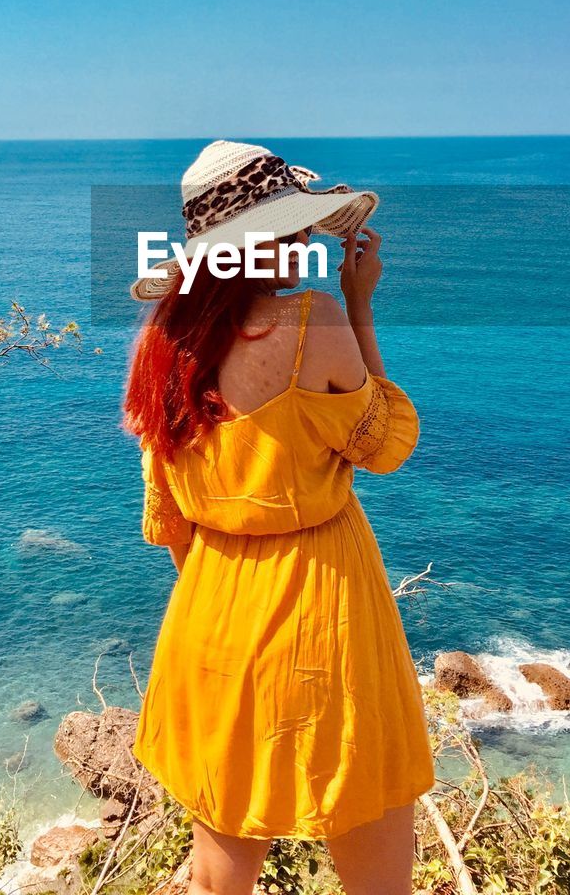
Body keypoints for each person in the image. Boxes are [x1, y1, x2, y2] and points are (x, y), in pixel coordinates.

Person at [123, 140, 436, 895]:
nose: (306, 246)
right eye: (294, 231)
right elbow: (384, 444)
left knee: (219, 878)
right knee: (372, 849)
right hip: (324, 609)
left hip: (213, 613)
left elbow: (169, 521)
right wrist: (361, 308)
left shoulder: (165, 348)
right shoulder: (318, 322)